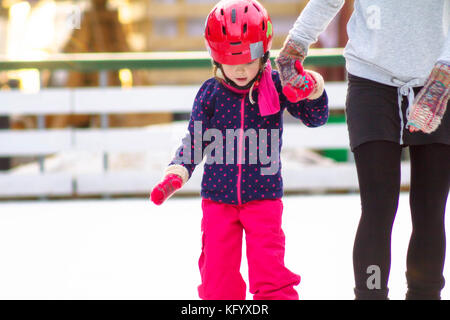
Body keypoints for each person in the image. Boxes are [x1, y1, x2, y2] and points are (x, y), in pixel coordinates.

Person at [150, 0, 329, 300]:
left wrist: (313, 89)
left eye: (248, 61)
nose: (241, 70)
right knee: (218, 280)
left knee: (270, 273)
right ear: (217, 59)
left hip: (264, 199)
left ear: (263, 53)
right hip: (218, 202)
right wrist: (177, 172)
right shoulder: (210, 94)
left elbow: (315, 118)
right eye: (232, 63)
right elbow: (195, 141)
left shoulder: (276, 83)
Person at [276, 0, 450, 300]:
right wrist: (297, 42)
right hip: (372, 83)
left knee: (429, 209)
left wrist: (446, 70)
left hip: (437, 81)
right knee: (378, 207)